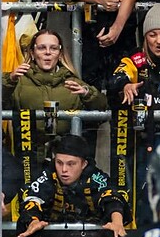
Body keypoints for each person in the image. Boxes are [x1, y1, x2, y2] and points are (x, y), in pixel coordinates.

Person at [9, 28, 104, 181]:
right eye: (41, 48)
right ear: (32, 53)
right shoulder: (18, 80)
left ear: (60, 54)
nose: (48, 52)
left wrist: (87, 94)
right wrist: (10, 80)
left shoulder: (73, 82)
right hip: (26, 159)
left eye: (53, 48)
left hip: (63, 160)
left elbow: (102, 109)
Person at [17, 132, 126, 237]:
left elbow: (112, 198)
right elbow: (33, 199)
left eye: (71, 164)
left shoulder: (95, 177)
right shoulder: (49, 174)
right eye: (59, 163)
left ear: (84, 164)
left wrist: (117, 222)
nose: (64, 170)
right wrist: (33, 221)